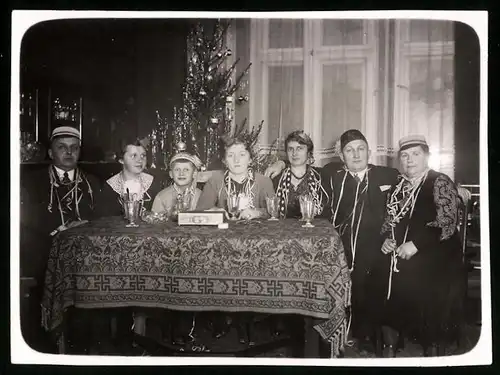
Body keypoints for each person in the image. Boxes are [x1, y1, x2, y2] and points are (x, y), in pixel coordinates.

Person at [265, 129, 399, 354]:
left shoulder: (388, 174)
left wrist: (455, 187)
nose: (356, 155)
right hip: (340, 243)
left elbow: (416, 180)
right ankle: (333, 332)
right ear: (341, 156)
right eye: (349, 150)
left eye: (360, 149)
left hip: (375, 245)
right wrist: (280, 163)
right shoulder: (332, 174)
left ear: (369, 151)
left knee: (372, 285)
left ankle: (365, 335)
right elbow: (300, 166)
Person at [378, 135, 465, 357]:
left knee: (426, 283)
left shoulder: (440, 181)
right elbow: (387, 222)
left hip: (437, 255)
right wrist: (385, 240)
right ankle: (389, 348)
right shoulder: (398, 185)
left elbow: (447, 222)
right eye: (405, 155)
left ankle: (432, 348)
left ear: (427, 156)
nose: (409, 160)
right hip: (402, 256)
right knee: (380, 277)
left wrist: (416, 245)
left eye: (416, 154)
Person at [20, 126, 100, 353]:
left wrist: (82, 225)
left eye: (74, 148)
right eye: (62, 148)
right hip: (45, 248)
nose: (68, 153)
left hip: (85, 253)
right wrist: (61, 227)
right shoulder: (30, 181)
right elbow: (26, 215)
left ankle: (83, 345)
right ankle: (45, 344)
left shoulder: (93, 183)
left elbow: (102, 216)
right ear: (50, 153)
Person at [196, 135, 275, 219]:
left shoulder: (264, 181)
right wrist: (214, 210)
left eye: (242, 155)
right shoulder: (215, 180)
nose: (236, 160)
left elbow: (273, 212)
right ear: (224, 161)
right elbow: (200, 211)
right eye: (230, 155)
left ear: (250, 159)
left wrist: (258, 213)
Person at [95, 138, 163, 217]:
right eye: (134, 156)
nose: (140, 160)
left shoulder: (153, 184)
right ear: (121, 160)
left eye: (143, 155)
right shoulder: (110, 187)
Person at [272, 130, 328, 219]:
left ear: (309, 153)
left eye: (299, 148)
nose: (294, 153)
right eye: (290, 149)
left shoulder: (320, 177)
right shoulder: (277, 179)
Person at [152, 143, 203, 216]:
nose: (181, 173)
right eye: (177, 170)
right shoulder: (161, 197)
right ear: (171, 174)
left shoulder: (202, 196)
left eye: (186, 170)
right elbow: (155, 222)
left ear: (194, 173)